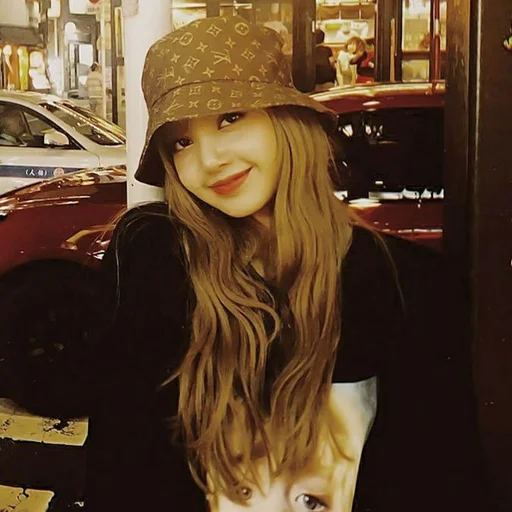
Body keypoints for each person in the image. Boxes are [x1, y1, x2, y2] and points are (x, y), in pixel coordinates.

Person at [86, 15, 488, 512]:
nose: (209, 159)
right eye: (181, 142)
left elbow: (442, 479)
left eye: (230, 117)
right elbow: (120, 468)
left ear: (285, 118)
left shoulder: (403, 287)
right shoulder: (160, 267)